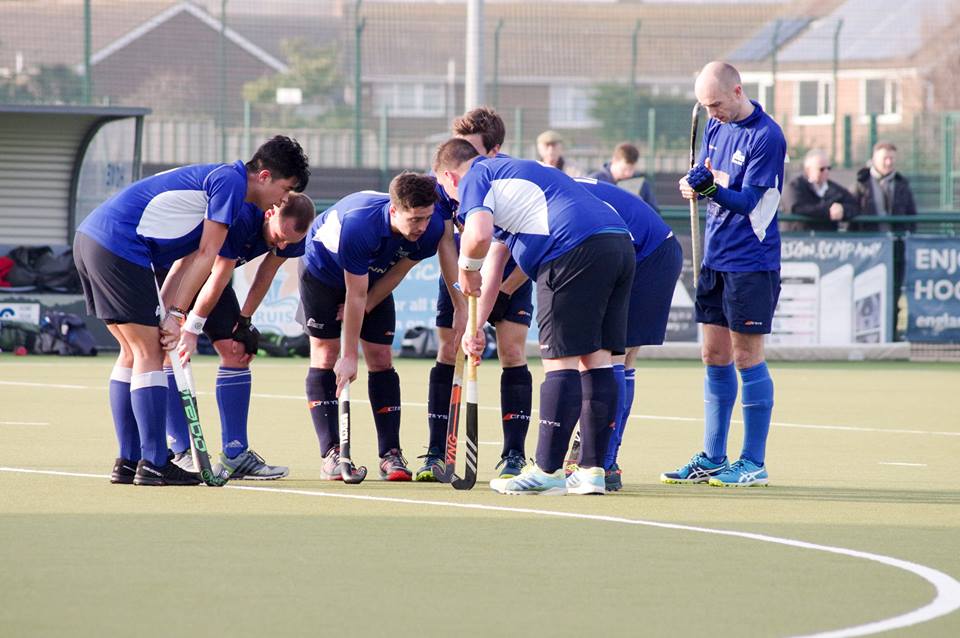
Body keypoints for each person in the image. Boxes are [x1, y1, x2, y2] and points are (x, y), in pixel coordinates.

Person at [73, 135, 310, 486]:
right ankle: (154, 462)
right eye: (284, 189)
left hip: (94, 239)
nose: (282, 199)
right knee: (147, 351)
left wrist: (169, 312)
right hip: (119, 245)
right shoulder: (230, 184)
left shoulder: (221, 183)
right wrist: (179, 317)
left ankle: (129, 460)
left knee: (131, 351)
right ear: (264, 176)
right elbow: (207, 257)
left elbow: (186, 259)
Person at [434, 138, 634, 496]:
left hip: (572, 249)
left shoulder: (476, 176)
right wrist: (474, 329)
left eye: (449, 191)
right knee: (598, 361)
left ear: (450, 176)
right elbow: (494, 267)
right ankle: (591, 471)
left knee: (560, 363)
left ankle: (547, 470)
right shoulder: (515, 176)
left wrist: (465, 269)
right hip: (617, 245)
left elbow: (477, 238)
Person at [662, 61, 785, 488]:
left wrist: (712, 189)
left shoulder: (767, 137)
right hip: (715, 256)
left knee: (746, 357)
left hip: (752, 261)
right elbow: (712, 175)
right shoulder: (716, 125)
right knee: (713, 355)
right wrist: (694, 184)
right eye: (704, 106)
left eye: (715, 103)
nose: (711, 112)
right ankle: (714, 456)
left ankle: (753, 461)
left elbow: (750, 201)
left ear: (737, 91)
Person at [301, 173, 448, 481]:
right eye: (414, 219)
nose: (421, 226)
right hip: (323, 273)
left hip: (374, 280)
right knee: (328, 356)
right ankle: (331, 453)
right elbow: (354, 293)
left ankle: (390, 454)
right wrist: (350, 354)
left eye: (426, 218)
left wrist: (369, 305)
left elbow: (398, 271)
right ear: (394, 211)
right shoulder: (360, 226)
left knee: (381, 358)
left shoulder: (430, 228)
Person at [418, 107, 535, 482]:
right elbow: (445, 241)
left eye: (471, 149)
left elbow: (528, 245)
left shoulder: (510, 175)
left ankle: (514, 454)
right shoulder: (444, 179)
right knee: (450, 349)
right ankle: (438, 450)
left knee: (512, 351)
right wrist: (460, 296)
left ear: (494, 151)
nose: (461, 155)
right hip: (463, 274)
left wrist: (499, 292)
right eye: (458, 147)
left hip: (511, 272)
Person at [164, 193, 315, 480]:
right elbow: (218, 274)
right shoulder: (242, 216)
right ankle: (182, 451)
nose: (282, 245)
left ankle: (235, 454)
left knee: (237, 351)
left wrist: (245, 321)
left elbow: (267, 272)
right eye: (280, 236)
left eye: (290, 242)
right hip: (177, 269)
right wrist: (190, 328)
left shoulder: (292, 238)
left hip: (211, 279)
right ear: (271, 214)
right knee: (170, 351)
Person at [572, 178, 683, 491]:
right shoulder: (560, 187)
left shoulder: (559, 201)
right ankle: (603, 458)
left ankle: (604, 461)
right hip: (646, 250)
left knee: (613, 354)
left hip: (649, 256)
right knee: (617, 357)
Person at [784, 149, 859, 232]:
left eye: (828, 168)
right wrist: (828, 211)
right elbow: (797, 208)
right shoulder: (795, 187)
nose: (826, 172)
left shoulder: (835, 190)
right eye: (821, 169)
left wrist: (843, 209)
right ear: (808, 170)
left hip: (827, 241)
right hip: (800, 240)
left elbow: (854, 205)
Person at [852, 141, 917, 233]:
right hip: (869, 242)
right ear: (874, 159)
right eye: (885, 158)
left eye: (892, 158)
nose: (889, 162)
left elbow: (911, 213)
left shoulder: (902, 184)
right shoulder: (861, 184)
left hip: (897, 241)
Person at [588, 142, 660, 213]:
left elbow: (655, 213)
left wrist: (641, 205)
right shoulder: (594, 181)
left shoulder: (642, 184)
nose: (628, 174)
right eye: (624, 169)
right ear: (614, 161)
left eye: (632, 169)